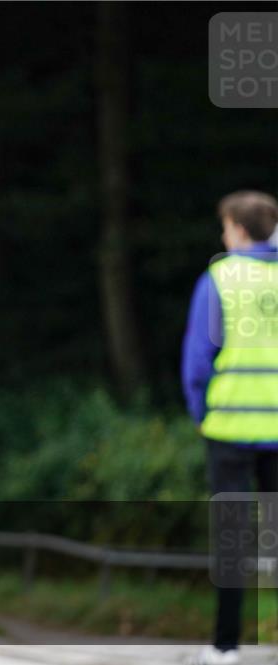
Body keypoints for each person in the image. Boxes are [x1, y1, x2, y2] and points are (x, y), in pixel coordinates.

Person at [181, 190, 278, 665]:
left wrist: (202, 414)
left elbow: (198, 361)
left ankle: (225, 647)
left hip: (231, 431)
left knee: (233, 541)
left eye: (225, 226)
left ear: (239, 229)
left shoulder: (220, 277)